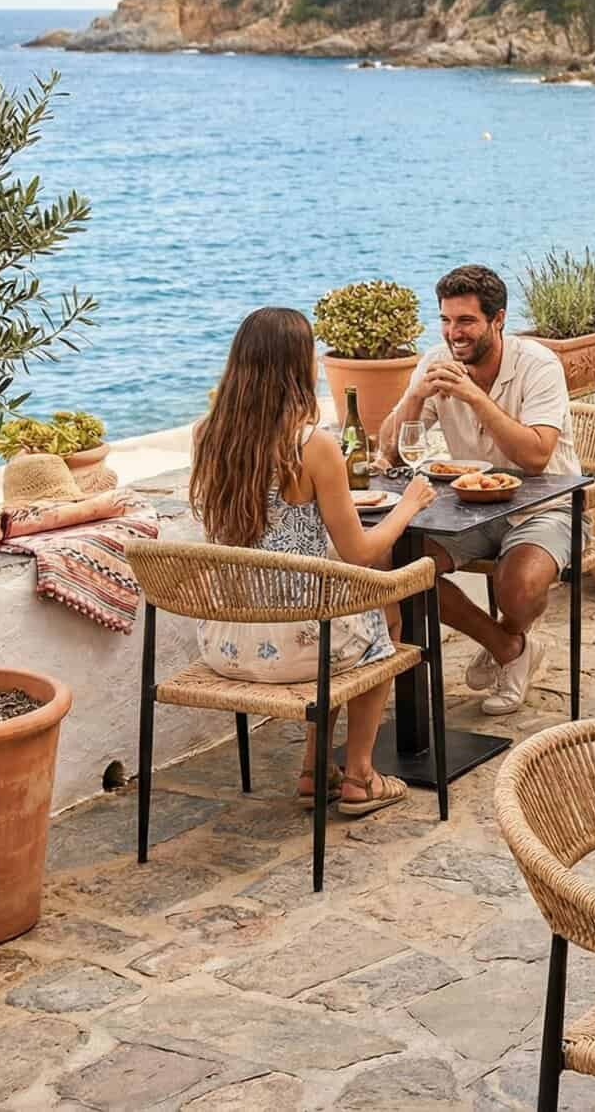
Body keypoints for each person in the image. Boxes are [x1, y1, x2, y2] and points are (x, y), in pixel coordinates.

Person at [190, 307, 439, 817]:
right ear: (297, 367)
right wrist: (410, 504)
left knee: (337, 617)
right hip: (299, 649)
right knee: (380, 618)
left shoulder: (206, 435)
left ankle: (313, 767)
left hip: (227, 642)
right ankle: (361, 777)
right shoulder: (313, 445)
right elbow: (363, 554)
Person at [376, 264, 585, 717]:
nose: (455, 333)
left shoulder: (538, 365)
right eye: (447, 321)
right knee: (397, 566)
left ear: (498, 319)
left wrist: (475, 397)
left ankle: (509, 634)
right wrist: (415, 397)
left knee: (518, 585)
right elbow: (388, 454)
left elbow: (535, 457)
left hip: (549, 506)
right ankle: (509, 649)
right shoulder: (437, 361)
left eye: (466, 321)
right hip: (470, 506)